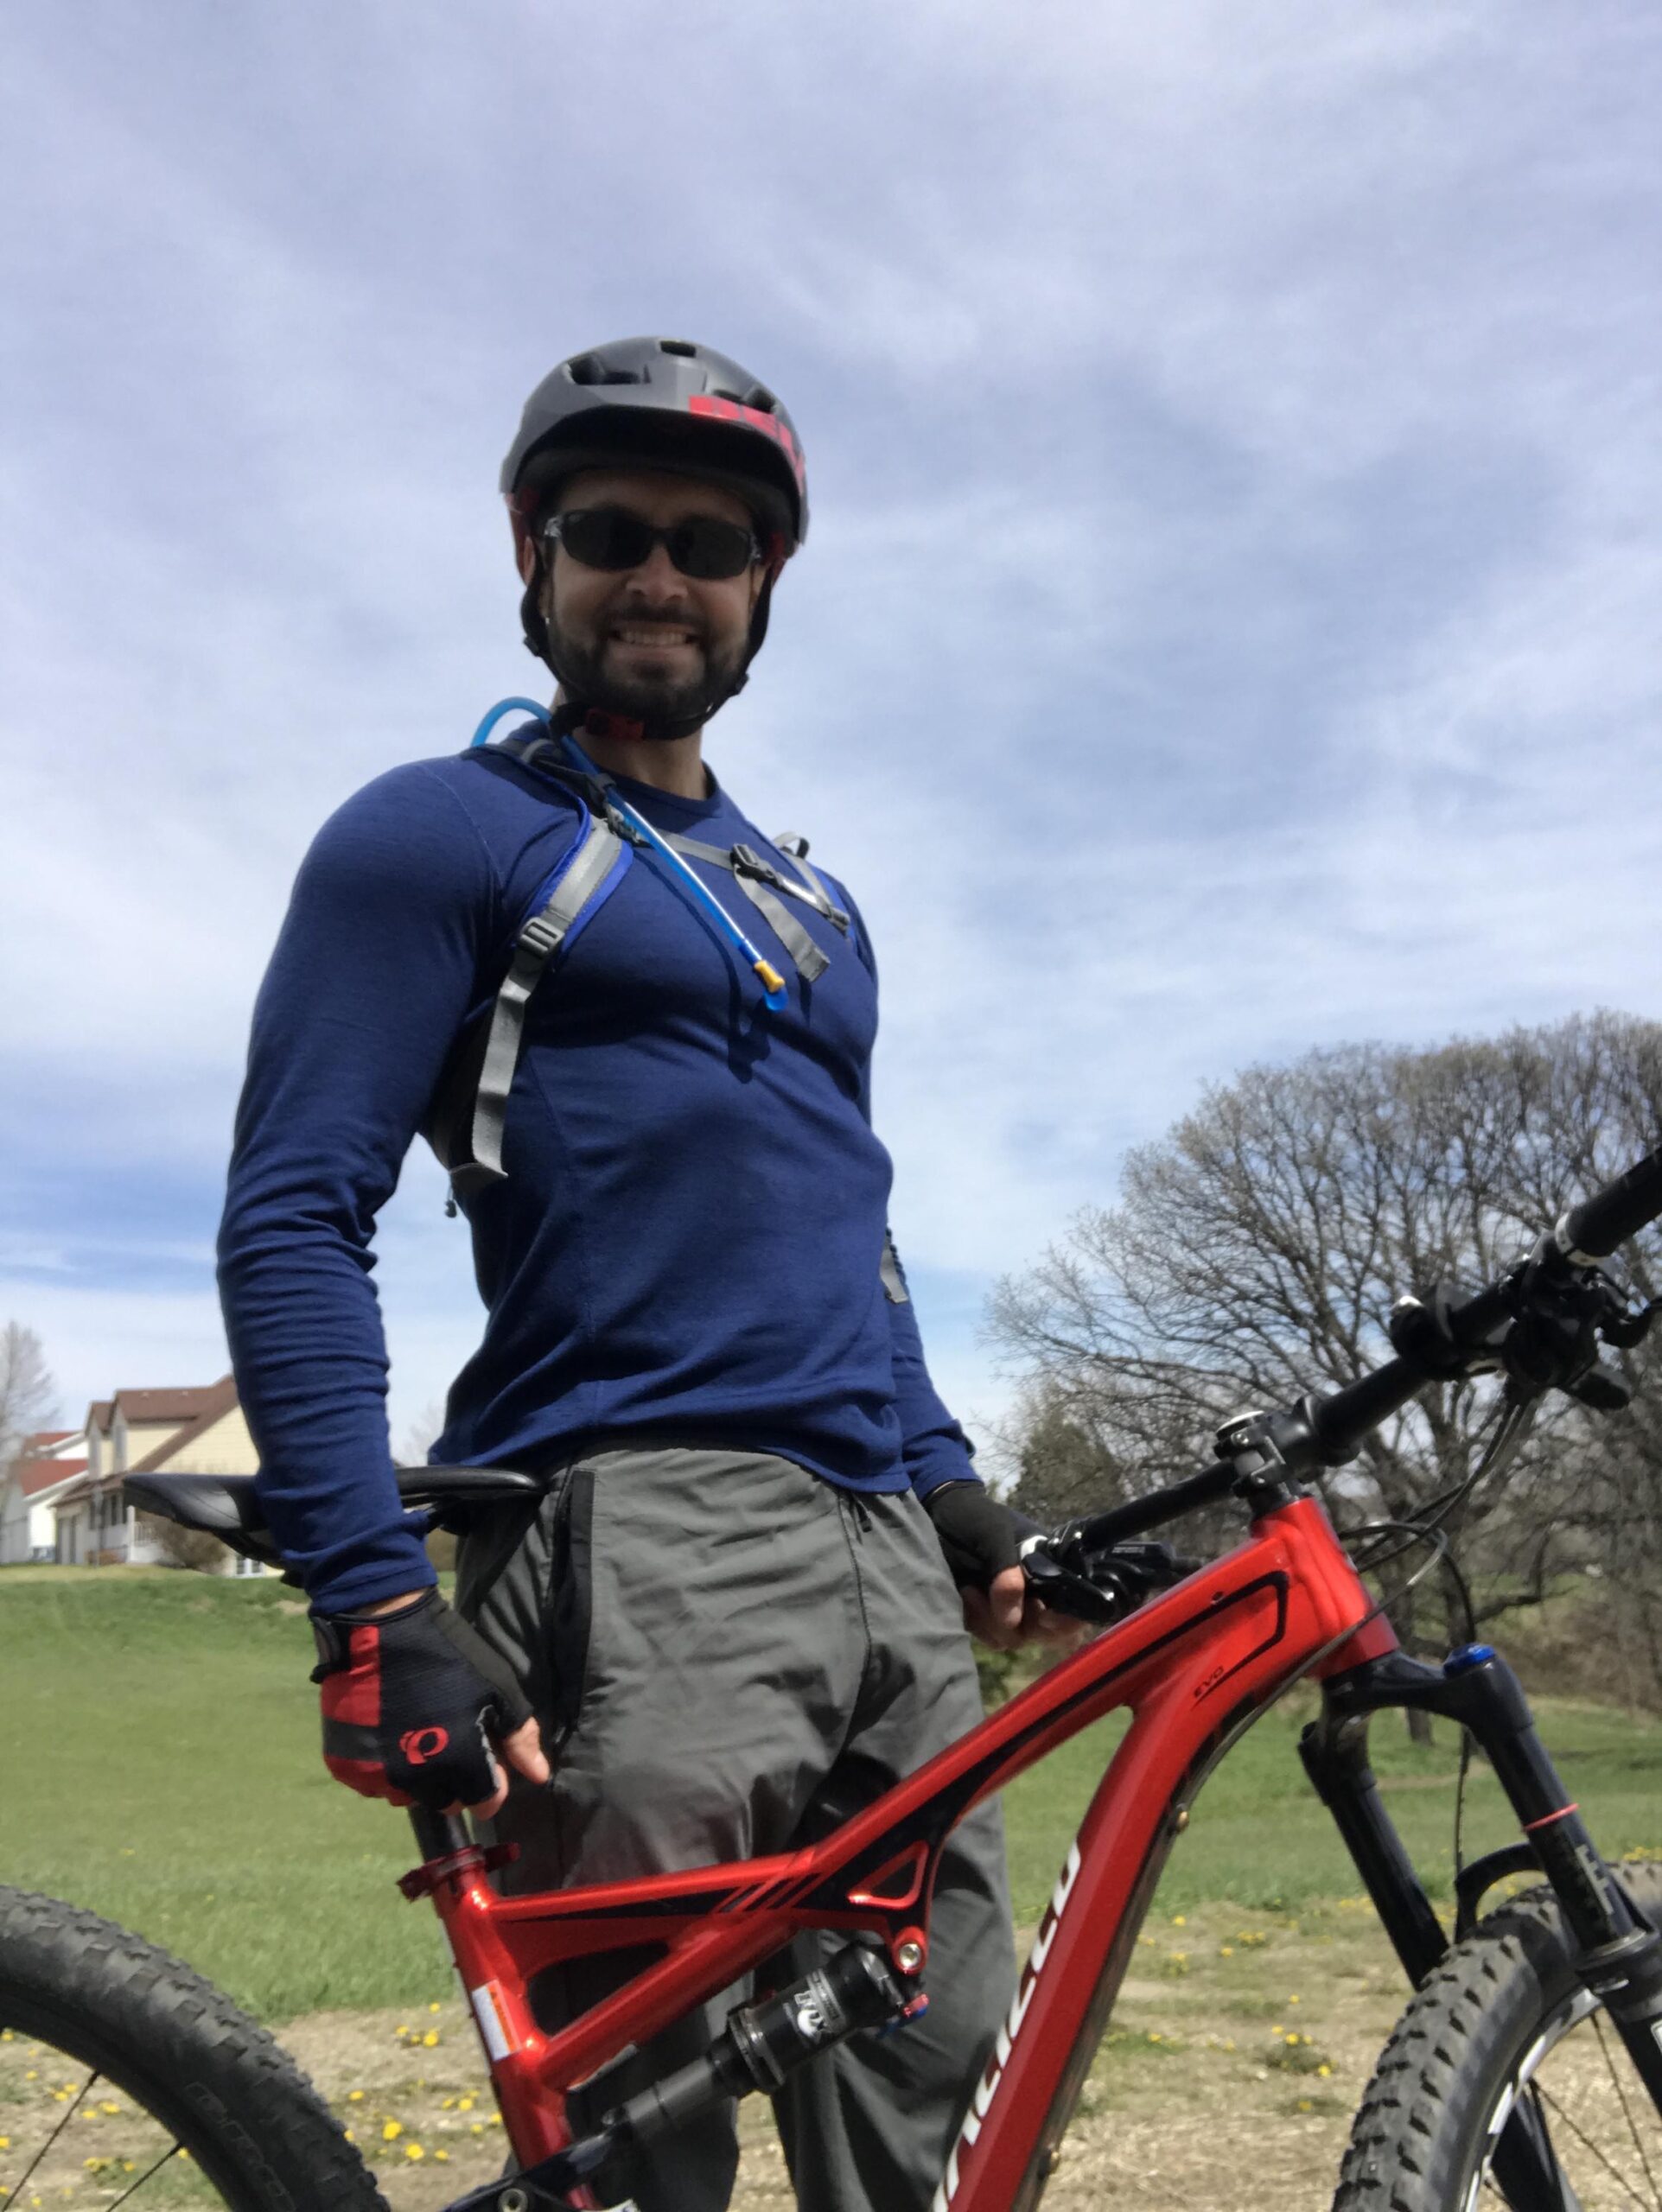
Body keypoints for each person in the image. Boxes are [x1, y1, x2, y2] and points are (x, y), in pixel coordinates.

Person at [218, 334, 1073, 2212]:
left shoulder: (812, 907)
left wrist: (956, 1505)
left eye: (712, 540)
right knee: (640, 2137)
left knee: (934, 2096)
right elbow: (293, 1208)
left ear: (767, 583)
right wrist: (369, 1598)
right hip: (637, 1528)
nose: (660, 576)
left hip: (880, 1562)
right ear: (531, 552)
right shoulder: (439, 833)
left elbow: (855, 1227)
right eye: (610, 529)